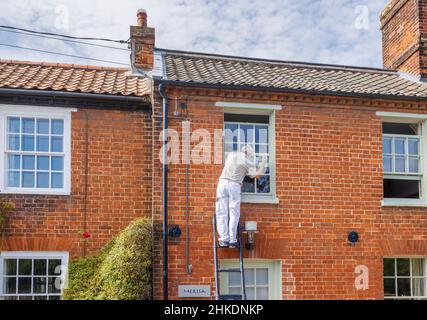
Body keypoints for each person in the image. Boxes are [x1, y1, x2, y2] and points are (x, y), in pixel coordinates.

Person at [215, 144, 267, 248]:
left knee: (221, 212)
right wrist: (263, 162)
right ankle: (232, 240)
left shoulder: (231, 155)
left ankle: (223, 240)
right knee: (234, 213)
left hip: (222, 183)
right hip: (234, 185)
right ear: (249, 155)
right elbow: (257, 176)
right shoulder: (248, 162)